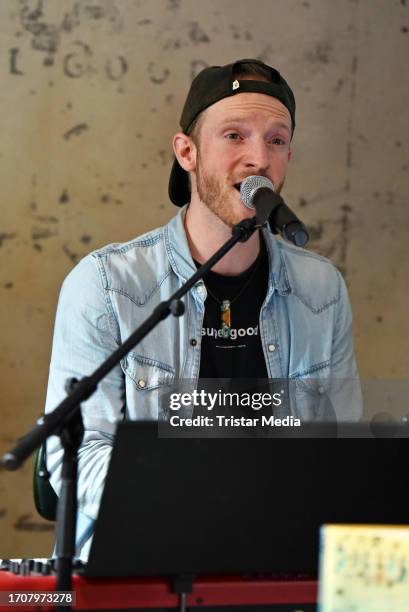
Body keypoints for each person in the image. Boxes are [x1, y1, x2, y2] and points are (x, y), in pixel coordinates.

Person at [45, 58, 362, 559]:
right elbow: (80, 454)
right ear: (187, 152)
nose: (258, 158)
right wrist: (206, 511)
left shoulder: (321, 289)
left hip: (274, 562)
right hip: (144, 560)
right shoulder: (106, 284)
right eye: (235, 135)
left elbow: (342, 457)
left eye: (276, 140)